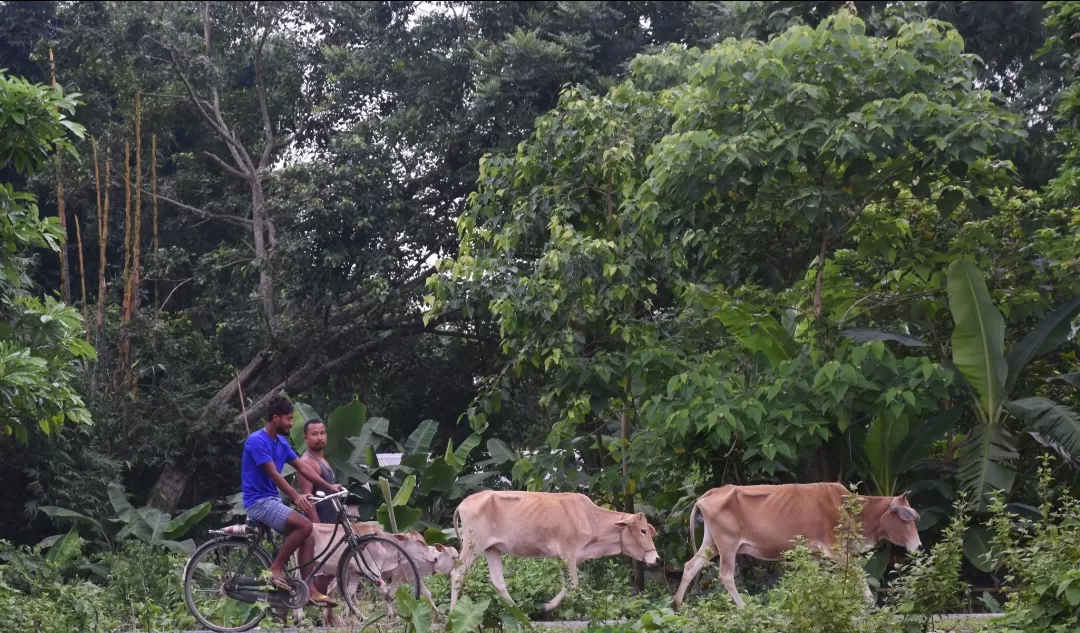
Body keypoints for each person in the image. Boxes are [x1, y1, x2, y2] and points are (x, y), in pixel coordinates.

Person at [241, 394, 340, 607]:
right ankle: (275, 568)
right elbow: (273, 474)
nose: (291, 423)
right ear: (275, 418)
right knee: (305, 524)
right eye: (288, 418)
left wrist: (329, 486)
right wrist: (295, 496)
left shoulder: (281, 442)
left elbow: (302, 467)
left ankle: (309, 590)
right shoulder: (257, 441)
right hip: (258, 502)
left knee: (309, 534)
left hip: (271, 500)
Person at [296, 418, 340, 624]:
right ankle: (321, 616)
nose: (319, 437)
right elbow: (307, 498)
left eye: (322, 433)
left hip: (330, 521)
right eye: (314, 434)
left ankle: (326, 617)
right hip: (318, 524)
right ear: (306, 438)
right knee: (321, 569)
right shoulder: (306, 462)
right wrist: (316, 527)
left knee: (329, 571)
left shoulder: (323, 461)